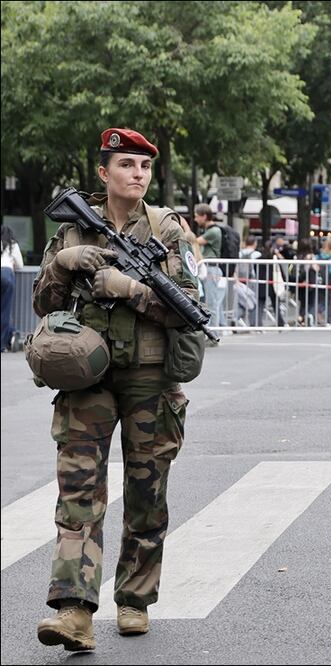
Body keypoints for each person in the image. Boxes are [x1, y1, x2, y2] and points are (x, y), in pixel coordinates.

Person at [31, 128, 199, 650]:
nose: (138, 175)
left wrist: (128, 289)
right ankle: (75, 612)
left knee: (147, 494)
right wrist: (62, 265)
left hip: (152, 378)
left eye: (145, 167)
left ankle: (134, 598)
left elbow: (187, 308)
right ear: (104, 173)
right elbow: (43, 302)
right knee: (79, 493)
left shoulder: (165, 230)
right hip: (87, 376)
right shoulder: (73, 228)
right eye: (127, 165)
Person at [192, 204, 226, 328]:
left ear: (204, 216)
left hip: (211, 269)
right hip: (209, 269)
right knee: (213, 303)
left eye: (197, 216)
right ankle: (217, 330)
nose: (195, 219)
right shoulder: (210, 230)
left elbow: (193, 241)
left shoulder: (213, 231)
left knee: (211, 304)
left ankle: (213, 334)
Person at [1, 225, 24, 351]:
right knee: (4, 311)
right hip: (6, 274)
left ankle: (12, 334)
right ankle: (3, 344)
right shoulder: (12, 244)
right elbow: (20, 265)